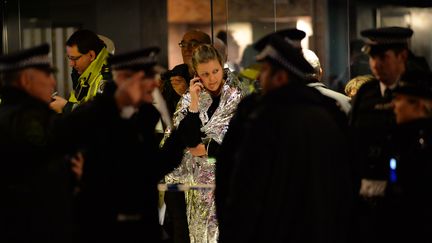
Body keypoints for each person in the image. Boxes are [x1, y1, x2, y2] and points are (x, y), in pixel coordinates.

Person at [216, 34, 353, 243]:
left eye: (265, 72)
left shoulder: (260, 118)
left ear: (280, 77)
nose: (260, 78)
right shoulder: (329, 113)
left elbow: (242, 185)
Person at [53, 47, 186, 243]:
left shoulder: (146, 115)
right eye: (147, 78)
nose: (154, 85)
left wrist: (180, 136)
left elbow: (151, 168)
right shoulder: (92, 117)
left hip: (142, 227)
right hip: (104, 228)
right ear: (125, 79)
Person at [349, 26, 421, 242]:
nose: (375, 64)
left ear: (402, 56)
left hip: (410, 202)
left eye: (383, 57)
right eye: (371, 57)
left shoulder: (421, 91)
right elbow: (353, 140)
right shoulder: (366, 93)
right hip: (367, 200)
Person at [165, 44, 243, 243]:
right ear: (196, 75)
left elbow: (240, 145)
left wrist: (207, 149)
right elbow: (185, 141)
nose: (212, 78)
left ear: (222, 66)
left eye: (215, 71)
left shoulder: (238, 97)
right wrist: (193, 103)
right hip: (198, 186)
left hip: (230, 183)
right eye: (205, 74)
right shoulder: (188, 100)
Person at [0, 44, 77, 243]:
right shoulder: (25, 121)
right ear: (26, 80)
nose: (52, 82)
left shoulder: (21, 116)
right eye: (47, 75)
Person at [160, 29, 211, 243]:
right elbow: (166, 120)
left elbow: (212, 124)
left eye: (194, 43)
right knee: (178, 227)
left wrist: (187, 95)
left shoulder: (213, 79)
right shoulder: (173, 76)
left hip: (203, 170)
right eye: (184, 44)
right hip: (175, 166)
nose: (188, 49)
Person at [383, 71, 432, 243]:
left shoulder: (418, 144)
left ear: (418, 105)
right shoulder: (403, 137)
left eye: (399, 99)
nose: (394, 105)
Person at [50, 29, 112, 114]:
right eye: (69, 58)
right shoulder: (82, 75)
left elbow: (100, 118)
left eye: (74, 58)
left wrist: (66, 107)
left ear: (91, 55)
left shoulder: (107, 78)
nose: (71, 64)